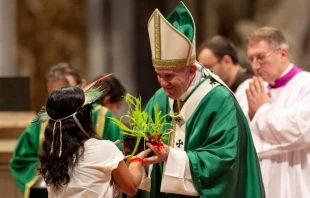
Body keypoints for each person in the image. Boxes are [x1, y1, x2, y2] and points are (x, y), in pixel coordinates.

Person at [132, 2, 265, 197]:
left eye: (169, 76)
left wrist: (172, 156)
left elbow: (224, 160)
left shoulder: (219, 101)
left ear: (191, 71)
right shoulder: (160, 100)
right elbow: (142, 145)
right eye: (158, 75)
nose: (162, 83)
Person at [9, 62, 122, 198]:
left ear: (82, 87)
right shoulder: (43, 121)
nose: (61, 102)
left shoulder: (105, 118)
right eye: (54, 96)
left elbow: (121, 162)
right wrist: (48, 174)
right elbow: (22, 159)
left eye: (67, 92)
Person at [235, 26, 310, 198]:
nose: (255, 65)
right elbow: (241, 140)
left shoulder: (306, 85)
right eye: (251, 59)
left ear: (282, 54)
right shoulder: (247, 89)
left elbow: (300, 133)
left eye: (261, 57)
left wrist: (260, 112)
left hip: (297, 186)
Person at [38, 84, 151, 197]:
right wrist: (136, 160)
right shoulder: (105, 150)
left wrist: (110, 157)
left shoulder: (52, 154)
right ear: (85, 117)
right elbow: (131, 187)